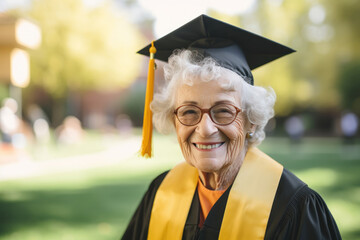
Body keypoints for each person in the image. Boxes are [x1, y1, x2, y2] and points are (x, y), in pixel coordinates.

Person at [122, 15, 341, 240]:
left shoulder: (294, 207)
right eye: (189, 112)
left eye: (224, 111)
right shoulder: (162, 192)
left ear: (251, 120)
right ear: (174, 119)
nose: (205, 129)